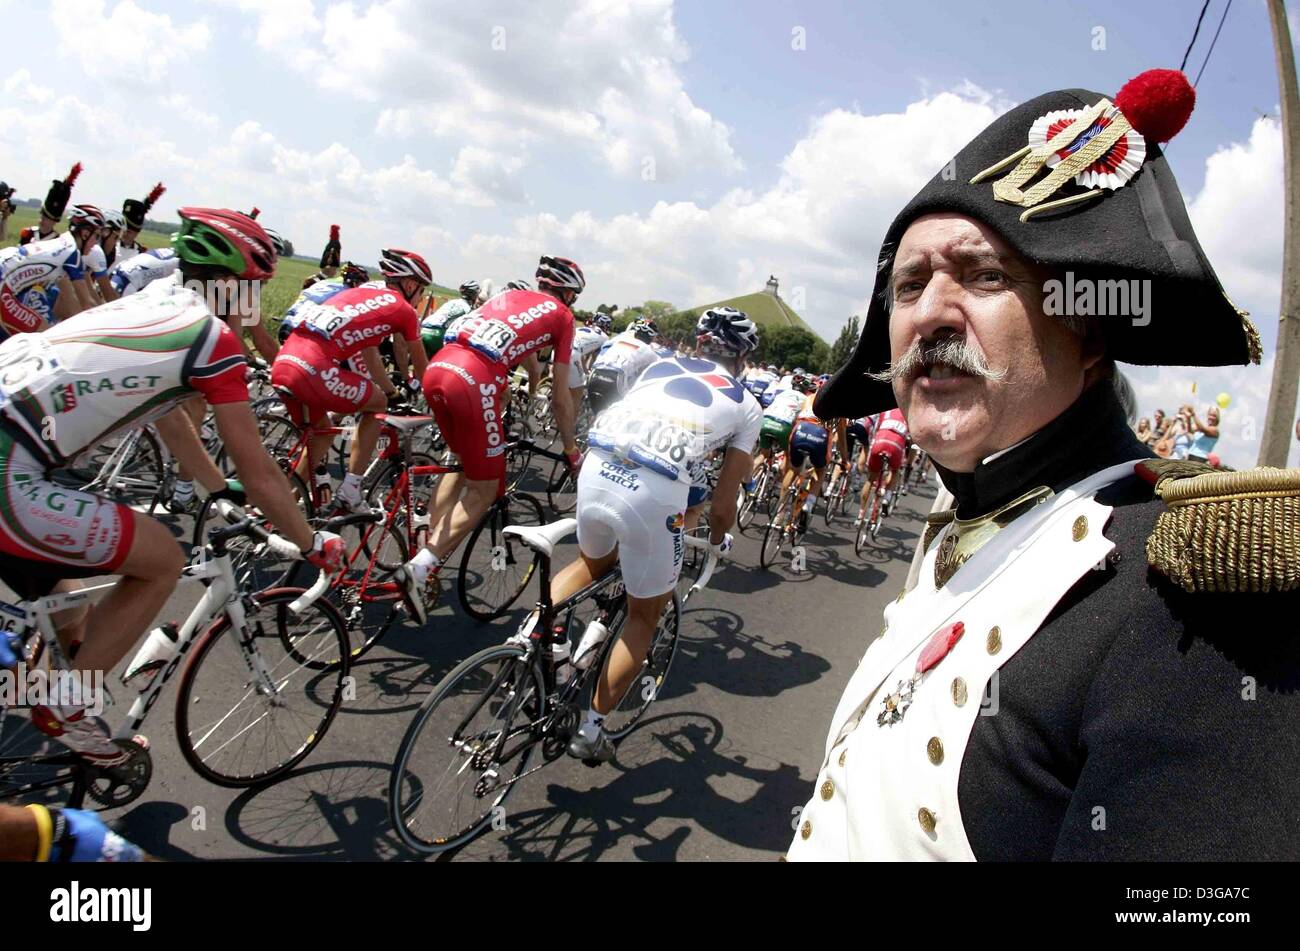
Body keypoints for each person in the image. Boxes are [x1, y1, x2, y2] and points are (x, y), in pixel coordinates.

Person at [790, 68, 1299, 861]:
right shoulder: (972, 515)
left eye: (986, 275)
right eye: (909, 284)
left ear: (1090, 331)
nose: (927, 314)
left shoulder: (1189, 600)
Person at [1, 206, 340, 771]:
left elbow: (166, 416)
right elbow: (258, 467)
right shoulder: (212, 340)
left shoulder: (155, 302)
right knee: (161, 558)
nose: (254, 304)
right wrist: (310, 543)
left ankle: (46, 685)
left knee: (67, 607)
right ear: (230, 285)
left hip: (19, 447)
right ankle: (65, 710)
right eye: (253, 289)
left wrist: (216, 491)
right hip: (13, 469)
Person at [554, 306, 761, 762]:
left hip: (598, 463)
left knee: (592, 563)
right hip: (654, 490)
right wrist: (719, 537)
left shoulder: (658, 363)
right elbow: (725, 504)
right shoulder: (747, 405)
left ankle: (539, 637)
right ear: (742, 356)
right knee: (645, 616)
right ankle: (591, 729)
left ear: (700, 341)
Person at [395, 255, 586, 623]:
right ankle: (418, 571)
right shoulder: (562, 317)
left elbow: (524, 362)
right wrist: (571, 450)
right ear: (567, 294)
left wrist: (515, 392)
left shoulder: (508, 299)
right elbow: (561, 396)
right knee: (484, 488)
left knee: (460, 460)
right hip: (472, 378)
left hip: (440, 367)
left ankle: (427, 540)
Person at [271, 248, 431, 512]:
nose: (421, 297)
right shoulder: (404, 311)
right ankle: (351, 490)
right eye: (422, 291)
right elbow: (423, 370)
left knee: (320, 436)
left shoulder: (360, 294)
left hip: (284, 362)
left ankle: (279, 508)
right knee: (376, 404)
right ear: (411, 284)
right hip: (313, 368)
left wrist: (392, 392)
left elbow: (369, 356)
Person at [0, 210, 95, 338]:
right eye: (97, 236)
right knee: (43, 334)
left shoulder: (62, 243)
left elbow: (65, 299)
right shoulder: (72, 254)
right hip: (3, 286)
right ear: (85, 234)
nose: (95, 243)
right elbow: (87, 304)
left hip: (4, 271)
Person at [585, 318, 664, 415]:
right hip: (616, 378)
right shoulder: (650, 352)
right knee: (621, 414)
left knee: (598, 412)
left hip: (595, 372)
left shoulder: (620, 340)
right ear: (650, 336)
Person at [278, 261, 371, 344]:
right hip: (300, 325)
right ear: (353, 280)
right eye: (360, 283)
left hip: (291, 320)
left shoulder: (329, 283)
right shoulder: (343, 290)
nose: (360, 287)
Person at [858, 407, 908, 523]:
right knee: (895, 471)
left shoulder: (887, 409)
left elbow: (875, 428)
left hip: (880, 440)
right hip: (896, 444)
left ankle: (861, 514)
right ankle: (887, 498)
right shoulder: (908, 412)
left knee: (870, 480)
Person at [19, 163, 81, 247]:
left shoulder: (58, 241)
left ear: (54, 221)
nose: (42, 219)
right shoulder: (27, 233)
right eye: (43, 215)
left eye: (47, 217)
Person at [420, 278, 486, 357]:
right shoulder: (467, 309)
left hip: (423, 329)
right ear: (474, 295)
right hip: (438, 334)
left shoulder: (452, 302)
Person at [118, 183, 166, 259]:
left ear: (137, 233)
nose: (124, 233)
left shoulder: (142, 254)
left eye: (129, 231)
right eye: (123, 228)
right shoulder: (107, 245)